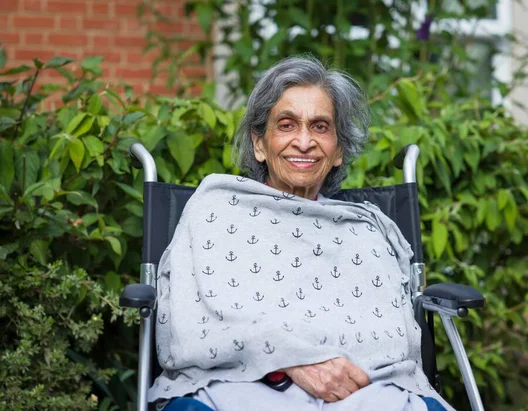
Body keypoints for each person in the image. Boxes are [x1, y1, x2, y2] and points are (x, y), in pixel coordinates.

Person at [149, 56, 453, 411]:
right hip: (237, 387)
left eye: (321, 127)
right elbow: (190, 323)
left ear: (338, 150)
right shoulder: (214, 210)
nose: (305, 141)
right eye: (287, 125)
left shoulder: (366, 230)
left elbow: (392, 338)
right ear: (259, 142)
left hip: (362, 394)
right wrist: (290, 360)